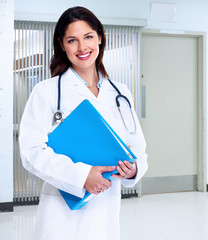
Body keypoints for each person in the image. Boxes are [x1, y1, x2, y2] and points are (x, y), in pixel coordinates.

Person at [19, 6, 148, 240]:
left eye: (88, 37)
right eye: (72, 40)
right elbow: (31, 152)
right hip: (61, 214)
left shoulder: (121, 92)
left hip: (106, 213)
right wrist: (81, 176)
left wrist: (133, 170)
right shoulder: (47, 92)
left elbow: (137, 147)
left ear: (99, 36)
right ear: (62, 44)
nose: (82, 48)